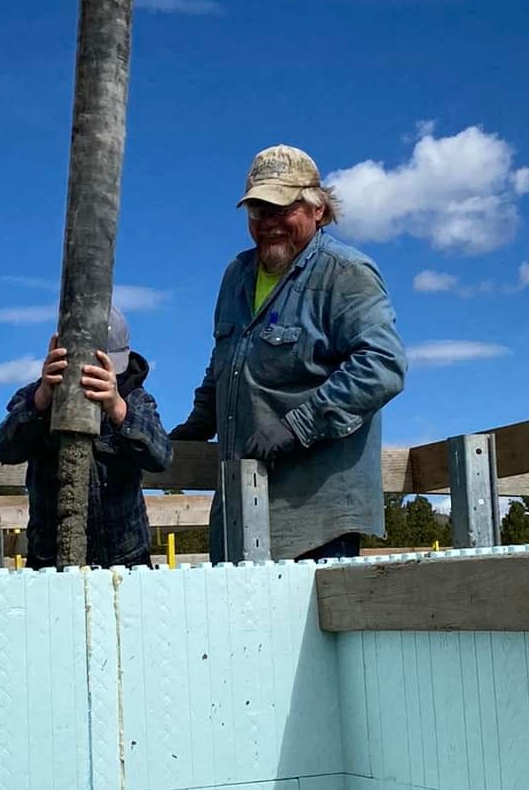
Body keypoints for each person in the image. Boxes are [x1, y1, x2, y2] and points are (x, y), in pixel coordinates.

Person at [170, 146, 406, 561]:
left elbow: (382, 365)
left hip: (317, 523)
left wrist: (297, 427)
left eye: (282, 209)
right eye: (258, 211)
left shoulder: (345, 273)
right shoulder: (237, 275)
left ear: (318, 209)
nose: (269, 223)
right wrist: (199, 422)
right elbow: (226, 360)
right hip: (239, 514)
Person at [0, 306, 172, 569]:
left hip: (126, 562)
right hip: (50, 562)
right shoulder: (36, 397)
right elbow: (3, 449)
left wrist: (118, 409)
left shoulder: (135, 399)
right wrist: (41, 400)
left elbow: (161, 456)